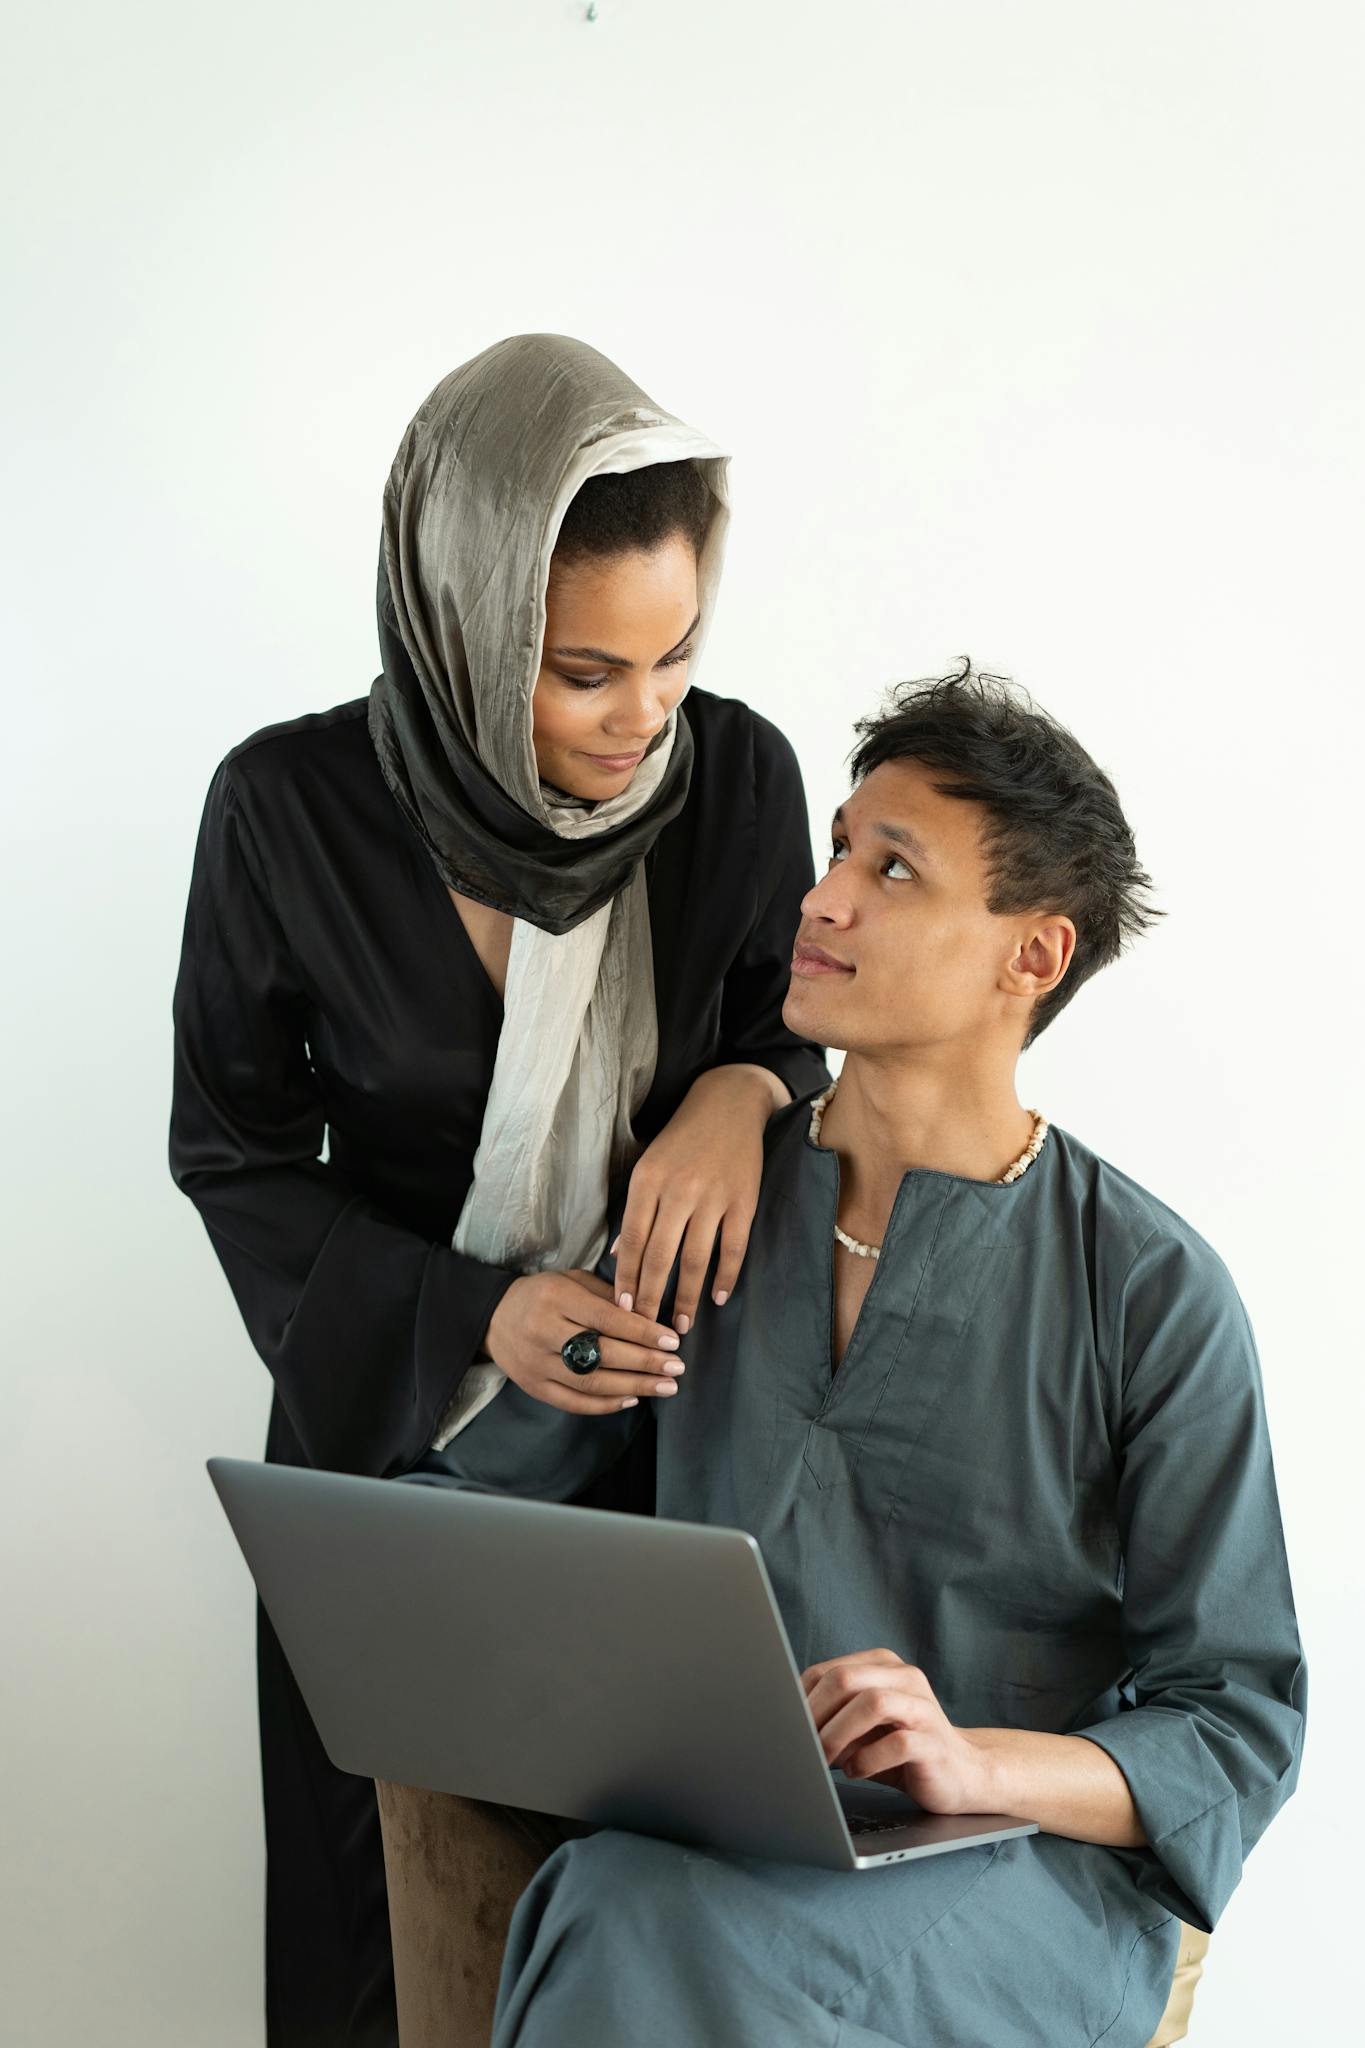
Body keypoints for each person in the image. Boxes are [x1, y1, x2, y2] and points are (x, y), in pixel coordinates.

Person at [407, 665, 1307, 2048]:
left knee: (639, 1917)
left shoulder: (1149, 1289)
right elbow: (465, 1534)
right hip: (709, 1847)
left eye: (892, 870)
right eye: (836, 851)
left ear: (1032, 957)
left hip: (1011, 1875)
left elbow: (1235, 1717)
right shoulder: (699, 1207)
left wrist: (969, 1761)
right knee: (628, 1897)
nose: (821, 898)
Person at [168, 332, 829, 2047]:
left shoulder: (738, 782)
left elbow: (794, 1026)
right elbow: (232, 1151)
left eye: (675, 656)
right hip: (392, 1459)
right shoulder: (288, 810)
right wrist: (483, 1312)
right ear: (460, 622)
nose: (641, 720)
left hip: (661, 1474)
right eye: (583, 672)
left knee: (636, 1937)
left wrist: (744, 1089)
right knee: (374, 1937)